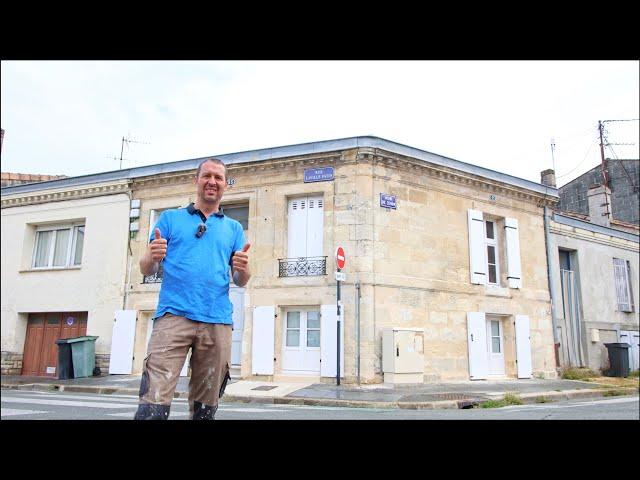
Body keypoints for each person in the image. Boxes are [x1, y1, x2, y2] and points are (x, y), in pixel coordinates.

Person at [134, 158, 250, 420]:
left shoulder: (233, 229)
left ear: (225, 185)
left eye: (218, 178)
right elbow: (146, 269)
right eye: (207, 176)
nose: (212, 181)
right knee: (153, 400)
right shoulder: (170, 219)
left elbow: (241, 280)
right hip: (173, 317)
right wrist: (151, 256)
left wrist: (243, 267)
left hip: (217, 321)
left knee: (206, 407)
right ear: (196, 180)